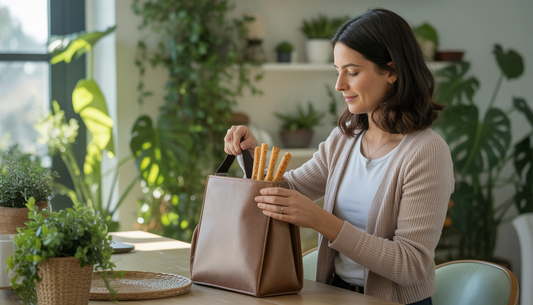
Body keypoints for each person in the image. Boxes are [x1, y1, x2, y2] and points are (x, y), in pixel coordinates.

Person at [224, 8, 454, 305]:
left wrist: (322, 221)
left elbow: (411, 264)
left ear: (392, 71)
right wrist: (252, 154)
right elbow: (286, 192)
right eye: (338, 71)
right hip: (335, 294)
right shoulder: (344, 140)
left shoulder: (427, 152)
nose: (339, 85)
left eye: (352, 72)